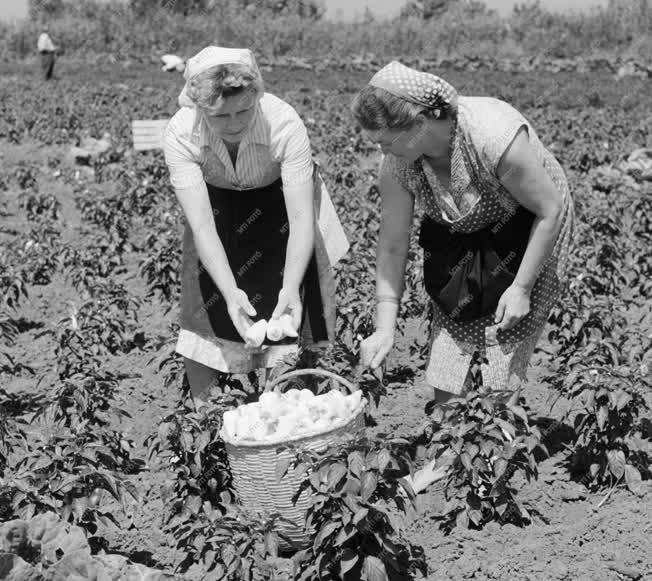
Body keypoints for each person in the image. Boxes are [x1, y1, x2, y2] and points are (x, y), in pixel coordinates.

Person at [352, 61, 574, 492]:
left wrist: (522, 287)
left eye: (388, 141)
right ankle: (449, 452)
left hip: (530, 224)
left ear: (421, 123)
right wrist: (384, 329)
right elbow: (393, 244)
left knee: (506, 331)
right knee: (452, 324)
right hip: (463, 228)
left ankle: (490, 449)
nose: (383, 152)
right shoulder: (398, 162)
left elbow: (548, 210)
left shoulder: (491, 136)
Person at [163, 46, 349, 407]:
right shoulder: (180, 133)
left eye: (244, 110)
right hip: (218, 209)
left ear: (257, 97)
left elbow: (299, 219)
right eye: (220, 116)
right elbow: (201, 226)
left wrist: (291, 287)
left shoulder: (283, 123)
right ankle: (208, 417)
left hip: (279, 208)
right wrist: (231, 292)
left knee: (289, 319)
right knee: (207, 311)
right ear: (200, 110)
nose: (233, 123)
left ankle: (287, 412)